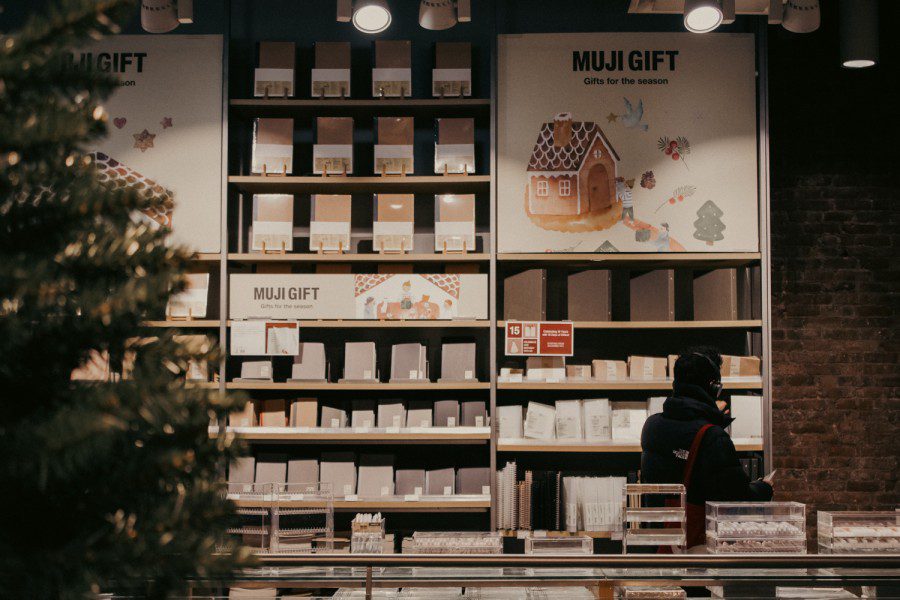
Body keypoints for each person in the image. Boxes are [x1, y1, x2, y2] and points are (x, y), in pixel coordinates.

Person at [641, 346, 773, 550]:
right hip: (696, 549)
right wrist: (764, 488)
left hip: (658, 542)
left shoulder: (651, 425)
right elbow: (737, 498)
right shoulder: (712, 436)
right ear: (713, 387)